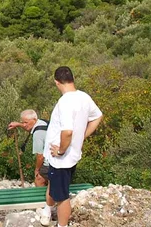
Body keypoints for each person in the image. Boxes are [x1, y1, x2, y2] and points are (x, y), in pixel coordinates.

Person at [40, 66, 102, 227]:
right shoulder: (83, 97)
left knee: (62, 197)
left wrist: (61, 150)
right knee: (53, 184)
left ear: (56, 82)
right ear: (72, 79)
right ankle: (46, 211)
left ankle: (62, 225)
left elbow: (67, 132)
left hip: (62, 157)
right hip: (69, 155)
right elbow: (97, 116)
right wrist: (82, 136)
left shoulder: (65, 102)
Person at [8, 109, 49, 187]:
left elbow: (40, 156)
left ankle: (42, 198)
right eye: (22, 122)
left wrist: (37, 170)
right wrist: (18, 124)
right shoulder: (42, 122)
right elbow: (30, 128)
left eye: (25, 122)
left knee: (39, 179)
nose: (24, 124)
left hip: (51, 162)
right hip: (62, 157)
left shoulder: (38, 133)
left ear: (34, 120)